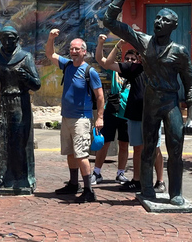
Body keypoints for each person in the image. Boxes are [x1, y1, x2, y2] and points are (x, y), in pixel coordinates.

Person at [103, 0, 192, 206]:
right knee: (148, 147)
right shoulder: (144, 42)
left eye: (165, 20)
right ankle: (146, 189)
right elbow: (109, 21)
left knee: (175, 148)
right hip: (151, 102)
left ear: (173, 26)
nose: (159, 22)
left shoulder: (180, 52)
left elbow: (190, 84)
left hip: (171, 103)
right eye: (157, 18)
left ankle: (175, 193)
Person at [96, 35, 165, 193]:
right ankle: (136, 181)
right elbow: (106, 63)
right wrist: (118, 45)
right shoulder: (134, 68)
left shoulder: (159, 69)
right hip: (134, 115)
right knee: (137, 148)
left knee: (155, 147)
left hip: (153, 115)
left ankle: (160, 181)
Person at [0, 26, 41, 195]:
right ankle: (2, 177)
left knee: (20, 140)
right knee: (3, 140)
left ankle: (23, 178)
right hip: (4, 102)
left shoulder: (25, 57)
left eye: (10, 39)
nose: (6, 42)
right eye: (3, 39)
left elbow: (37, 84)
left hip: (21, 101)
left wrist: (26, 77)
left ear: (17, 39)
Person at [45, 29, 104, 203]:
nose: (73, 51)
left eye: (77, 49)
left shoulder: (90, 72)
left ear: (84, 52)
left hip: (81, 119)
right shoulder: (67, 65)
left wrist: (100, 117)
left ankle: (89, 190)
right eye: (72, 48)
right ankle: (73, 184)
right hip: (66, 117)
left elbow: (100, 96)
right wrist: (51, 38)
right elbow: (50, 54)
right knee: (70, 152)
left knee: (81, 155)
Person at [91, 35, 130, 185]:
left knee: (124, 144)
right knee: (105, 142)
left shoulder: (137, 74)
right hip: (112, 111)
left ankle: (121, 173)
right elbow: (101, 59)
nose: (129, 61)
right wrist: (103, 44)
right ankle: (97, 172)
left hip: (127, 114)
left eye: (132, 59)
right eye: (127, 59)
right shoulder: (116, 70)